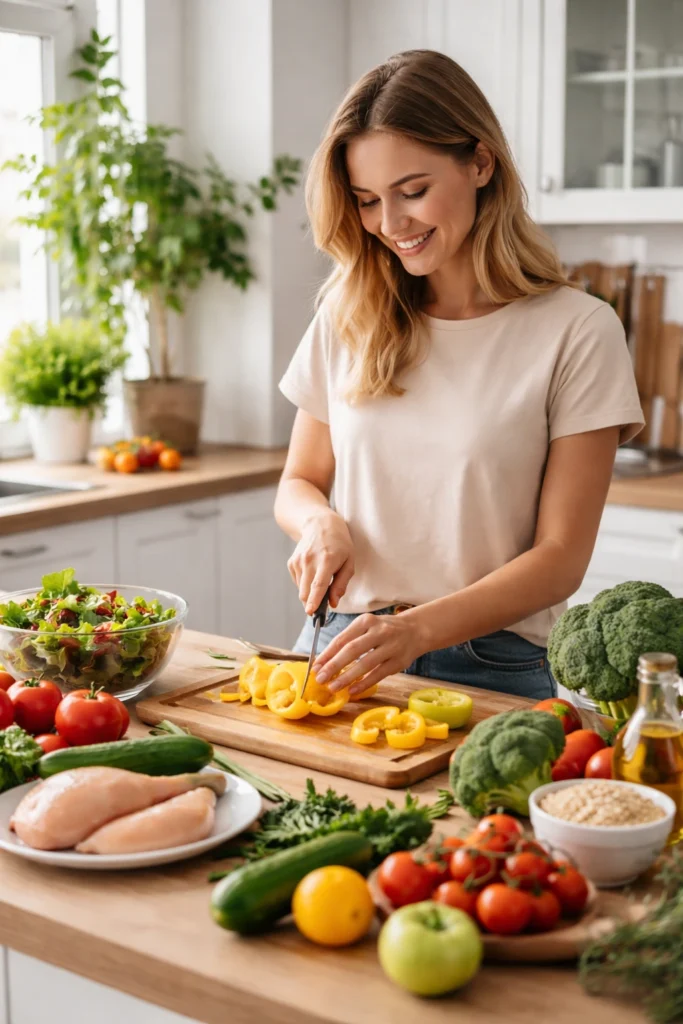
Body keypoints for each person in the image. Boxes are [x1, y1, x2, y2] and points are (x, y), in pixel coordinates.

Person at [274, 49, 643, 702]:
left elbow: (560, 558)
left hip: (491, 664)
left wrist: (415, 633)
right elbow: (299, 482)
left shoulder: (576, 330)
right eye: (366, 201)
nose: (391, 225)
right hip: (338, 644)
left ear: (479, 162)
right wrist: (317, 524)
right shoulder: (348, 308)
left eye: (412, 191)